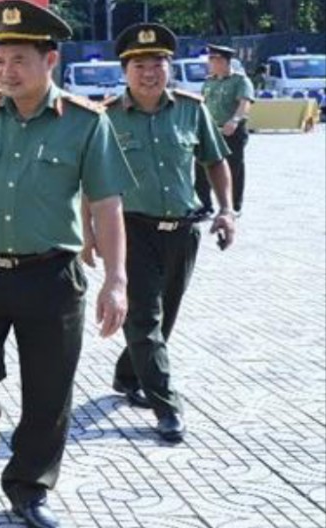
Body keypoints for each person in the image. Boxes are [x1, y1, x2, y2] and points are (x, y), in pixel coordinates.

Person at [0, 0, 134, 528]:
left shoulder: (85, 123)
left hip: (51, 275)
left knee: (48, 390)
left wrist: (117, 281)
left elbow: (106, 203)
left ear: (49, 61)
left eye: (19, 60)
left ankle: (29, 485)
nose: (6, 71)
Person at [90, 23, 235, 445]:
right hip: (131, 230)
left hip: (183, 230)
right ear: (124, 69)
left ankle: (128, 373)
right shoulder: (107, 117)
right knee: (144, 316)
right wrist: (88, 232)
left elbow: (215, 162)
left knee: (164, 315)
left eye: (158, 63)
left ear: (170, 67)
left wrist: (227, 211)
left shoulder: (193, 109)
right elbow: (90, 180)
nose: (149, 72)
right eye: (139, 64)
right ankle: (166, 405)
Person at [195, 44, 253, 216]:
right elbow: (203, 104)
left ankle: (233, 206)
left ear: (224, 61)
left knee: (233, 168)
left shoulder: (240, 80)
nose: (210, 63)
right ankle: (203, 205)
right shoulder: (209, 81)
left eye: (214, 59)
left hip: (231, 130)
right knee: (201, 167)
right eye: (210, 59)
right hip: (210, 130)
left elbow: (245, 103)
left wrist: (234, 120)